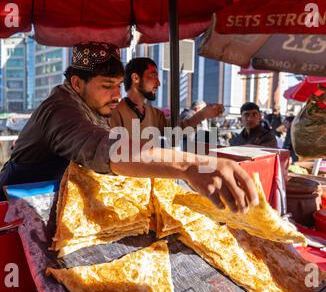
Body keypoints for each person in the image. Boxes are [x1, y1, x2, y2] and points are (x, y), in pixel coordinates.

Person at [0, 42, 258, 213]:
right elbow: (106, 148)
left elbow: (170, 132)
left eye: (117, 85)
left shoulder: (96, 104)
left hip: (54, 204)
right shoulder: (61, 110)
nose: (115, 95)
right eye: (106, 85)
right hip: (14, 208)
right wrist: (189, 166)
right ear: (77, 83)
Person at [110, 57, 224, 138]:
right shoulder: (115, 113)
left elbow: (177, 131)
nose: (158, 83)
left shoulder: (155, 115)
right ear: (135, 78)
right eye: (153, 76)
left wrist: (202, 115)